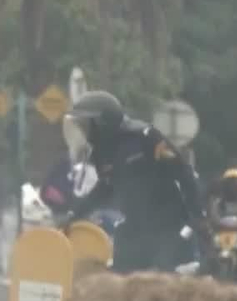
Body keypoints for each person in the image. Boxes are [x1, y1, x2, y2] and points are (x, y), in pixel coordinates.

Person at [62, 90, 208, 273]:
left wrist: (198, 217)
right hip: (133, 226)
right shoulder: (100, 152)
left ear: (102, 121)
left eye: (85, 124)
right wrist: (75, 214)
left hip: (168, 227)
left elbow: (184, 173)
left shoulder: (145, 137)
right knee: (121, 280)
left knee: (161, 280)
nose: (83, 130)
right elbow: (106, 188)